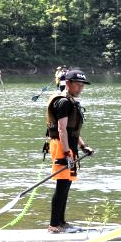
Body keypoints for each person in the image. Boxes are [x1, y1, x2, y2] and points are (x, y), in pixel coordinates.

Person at [45, 69, 94, 233]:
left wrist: (82, 146)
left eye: (82, 85)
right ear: (68, 83)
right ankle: (54, 225)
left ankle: (62, 222)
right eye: (77, 85)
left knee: (66, 184)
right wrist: (66, 153)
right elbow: (61, 129)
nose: (80, 88)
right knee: (62, 185)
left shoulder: (70, 101)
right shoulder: (64, 102)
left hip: (68, 146)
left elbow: (72, 130)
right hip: (61, 146)